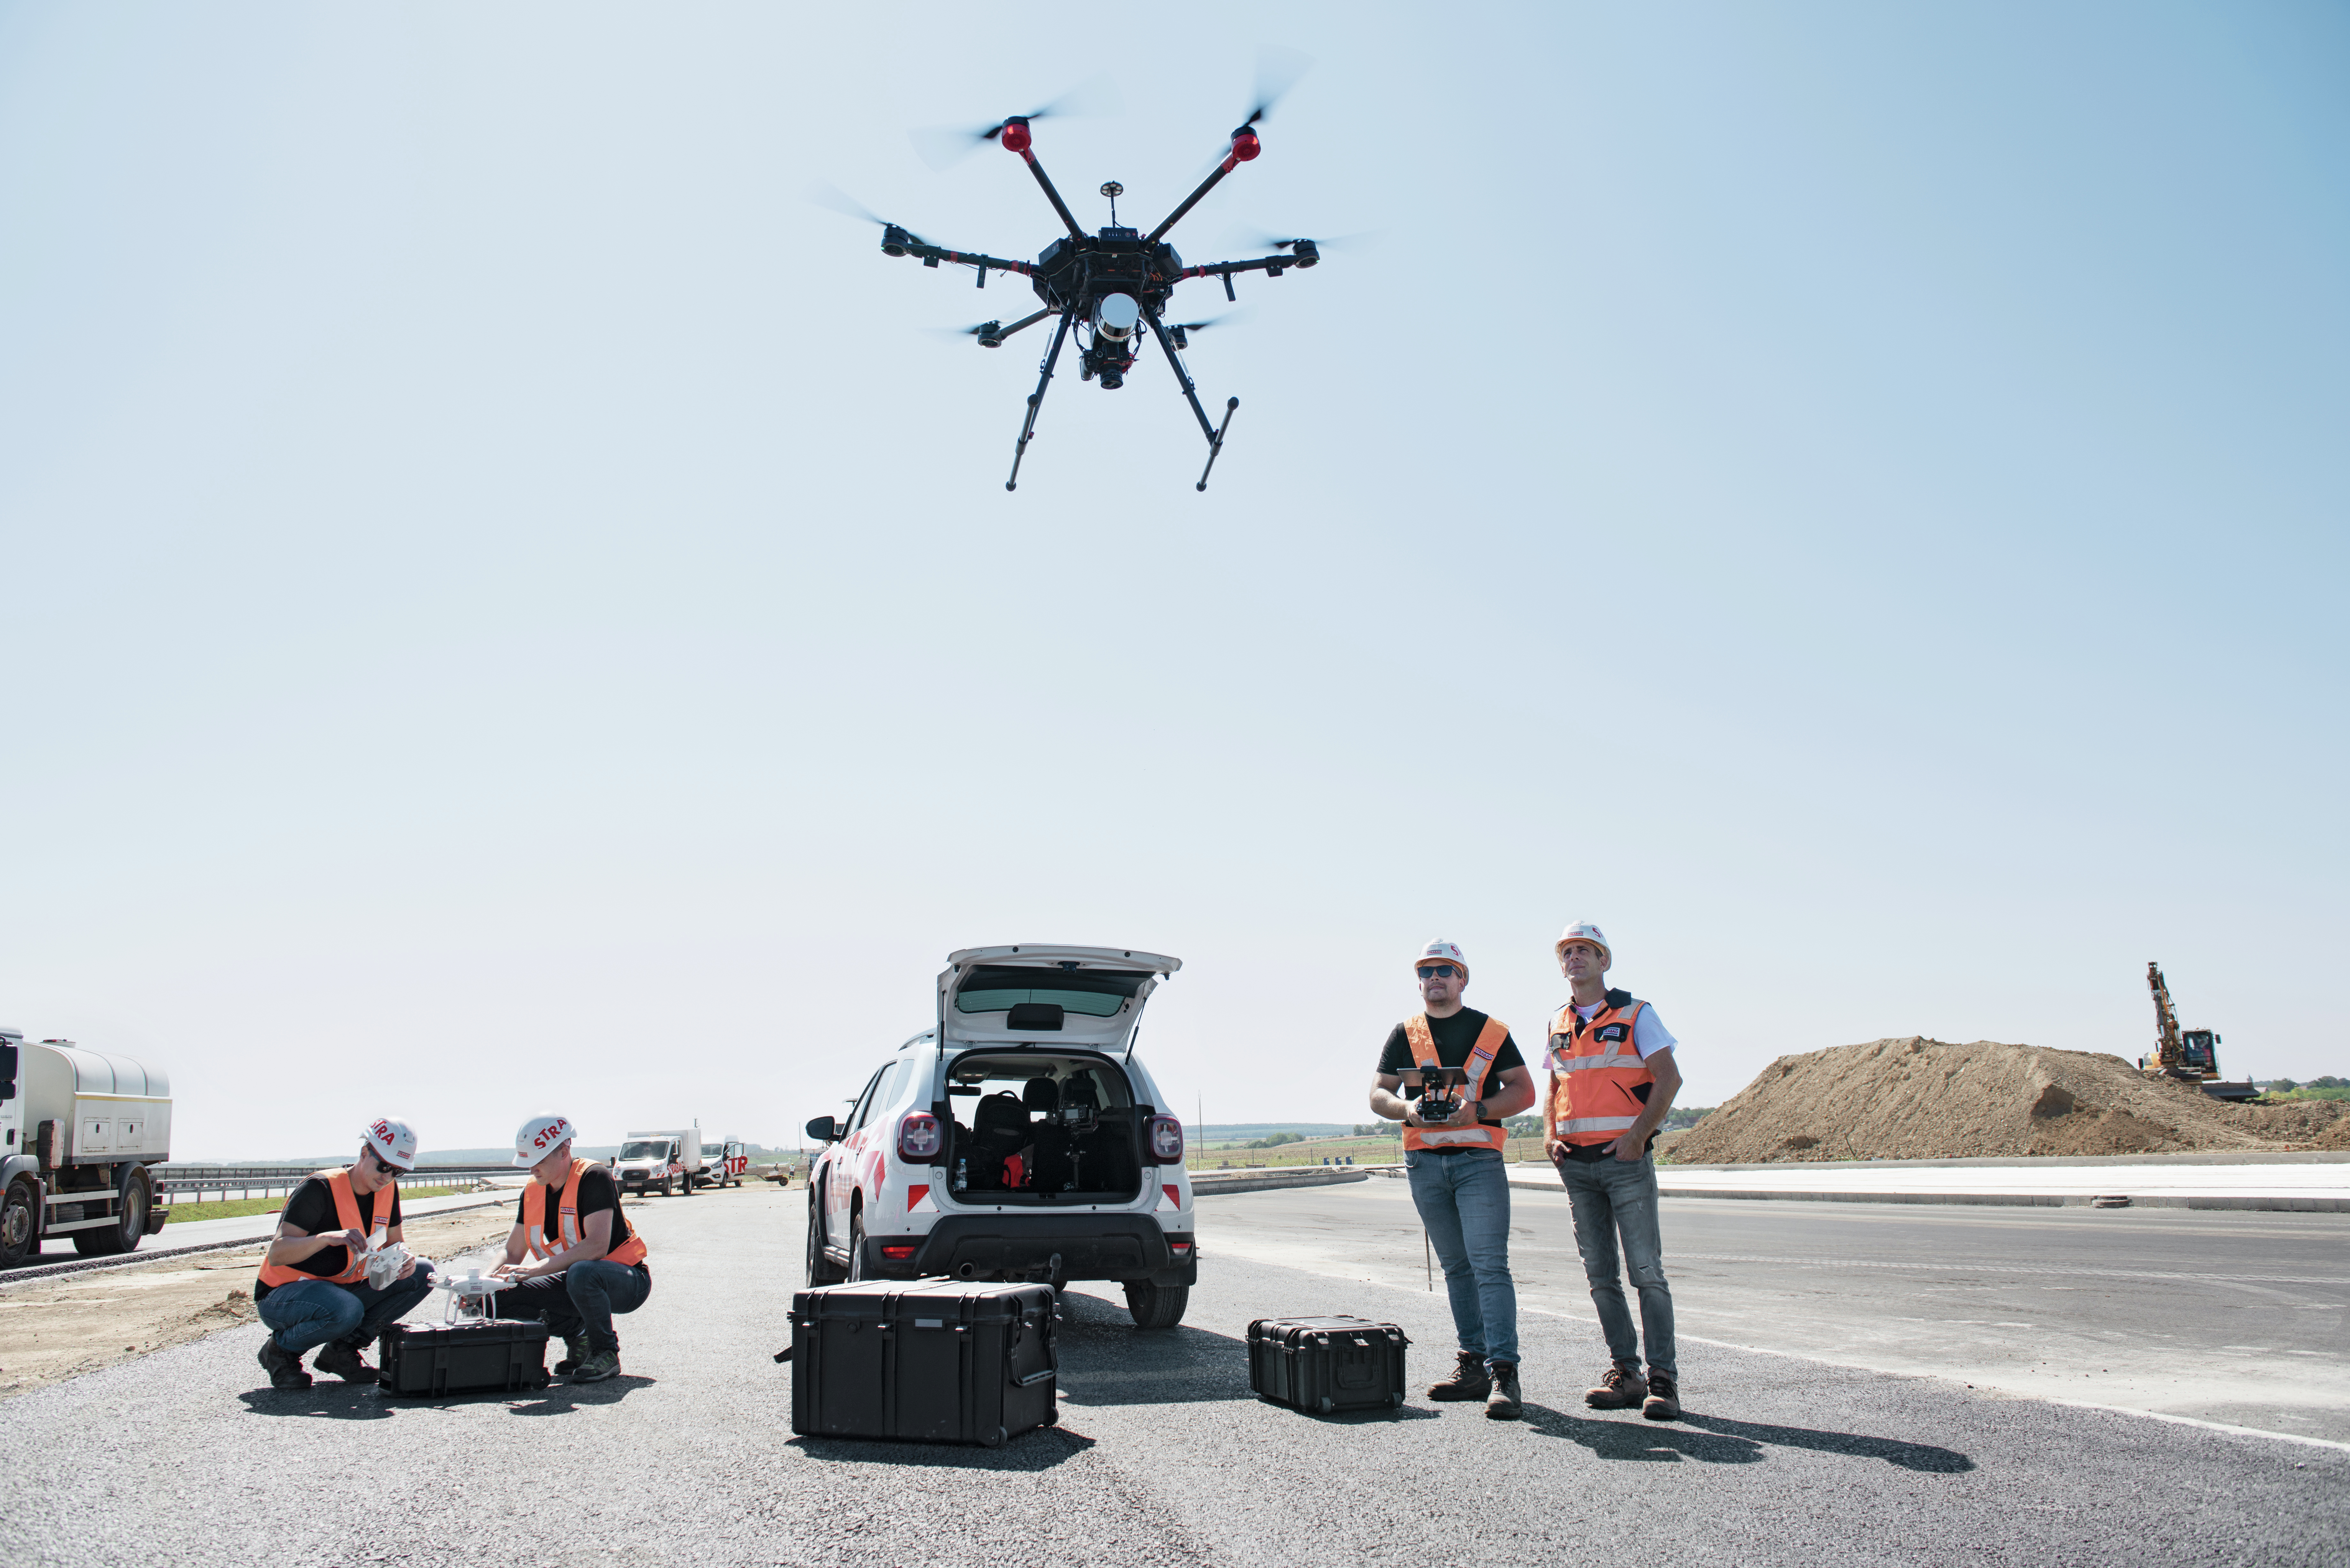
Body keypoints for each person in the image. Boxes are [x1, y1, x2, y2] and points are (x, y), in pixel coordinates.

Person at [1369, 940, 1537, 1418]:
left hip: (1478, 1162)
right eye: (1427, 971)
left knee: (1489, 1265)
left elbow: (1524, 1091)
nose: (1435, 978)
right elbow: (1378, 1094)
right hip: (1425, 1165)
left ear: (1463, 978)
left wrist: (1478, 1109)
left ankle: (1505, 1371)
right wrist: (1408, 1108)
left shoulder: (1490, 1031)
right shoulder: (1405, 1032)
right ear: (1419, 981)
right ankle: (1474, 1364)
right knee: (1457, 1269)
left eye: (1445, 970)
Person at [1544, 922, 1686, 1421]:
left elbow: (1669, 1080)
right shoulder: (1558, 1021)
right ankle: (1627, 1374)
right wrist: (1549, 1133)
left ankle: (1662, 1380)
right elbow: (1556, 1086)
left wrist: (1638, 1137)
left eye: (1586, 950)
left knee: (1646, 1273)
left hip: (1624, 1164)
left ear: (1605, 962)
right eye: (1568, 951)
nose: (1575, 958)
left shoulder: (1636, 1014)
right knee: (1601, 1277)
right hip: (1578, 1168)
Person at [254, 1117, 435, 1391]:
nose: (387, 1177)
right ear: (365, 1153)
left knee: (423, 1273)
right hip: (284, 1296)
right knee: (346, 1309)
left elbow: (396, 1244)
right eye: (384, 1166)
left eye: (397, 1172)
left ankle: (342, 1350)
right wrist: (326, 1238)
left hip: (340, 1290)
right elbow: (278, 1253)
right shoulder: (320, 1189)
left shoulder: (387, 1190)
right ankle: (280, 1351)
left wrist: (404, 1259)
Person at [491, 1114, 650, 1383]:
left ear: (564, 1152)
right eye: (527, 1162)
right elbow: (512, 1252)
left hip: (626, 1282)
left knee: (583, 1272)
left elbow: (596, 1247)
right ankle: (579, 1335)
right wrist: (482, 1284)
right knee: (498, 1296)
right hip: (574, 1281)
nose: (531, 1169)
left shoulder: (594, 1177)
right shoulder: (532, 1191)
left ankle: (605, 1352)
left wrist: (533, 1270)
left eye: (537, 1161)